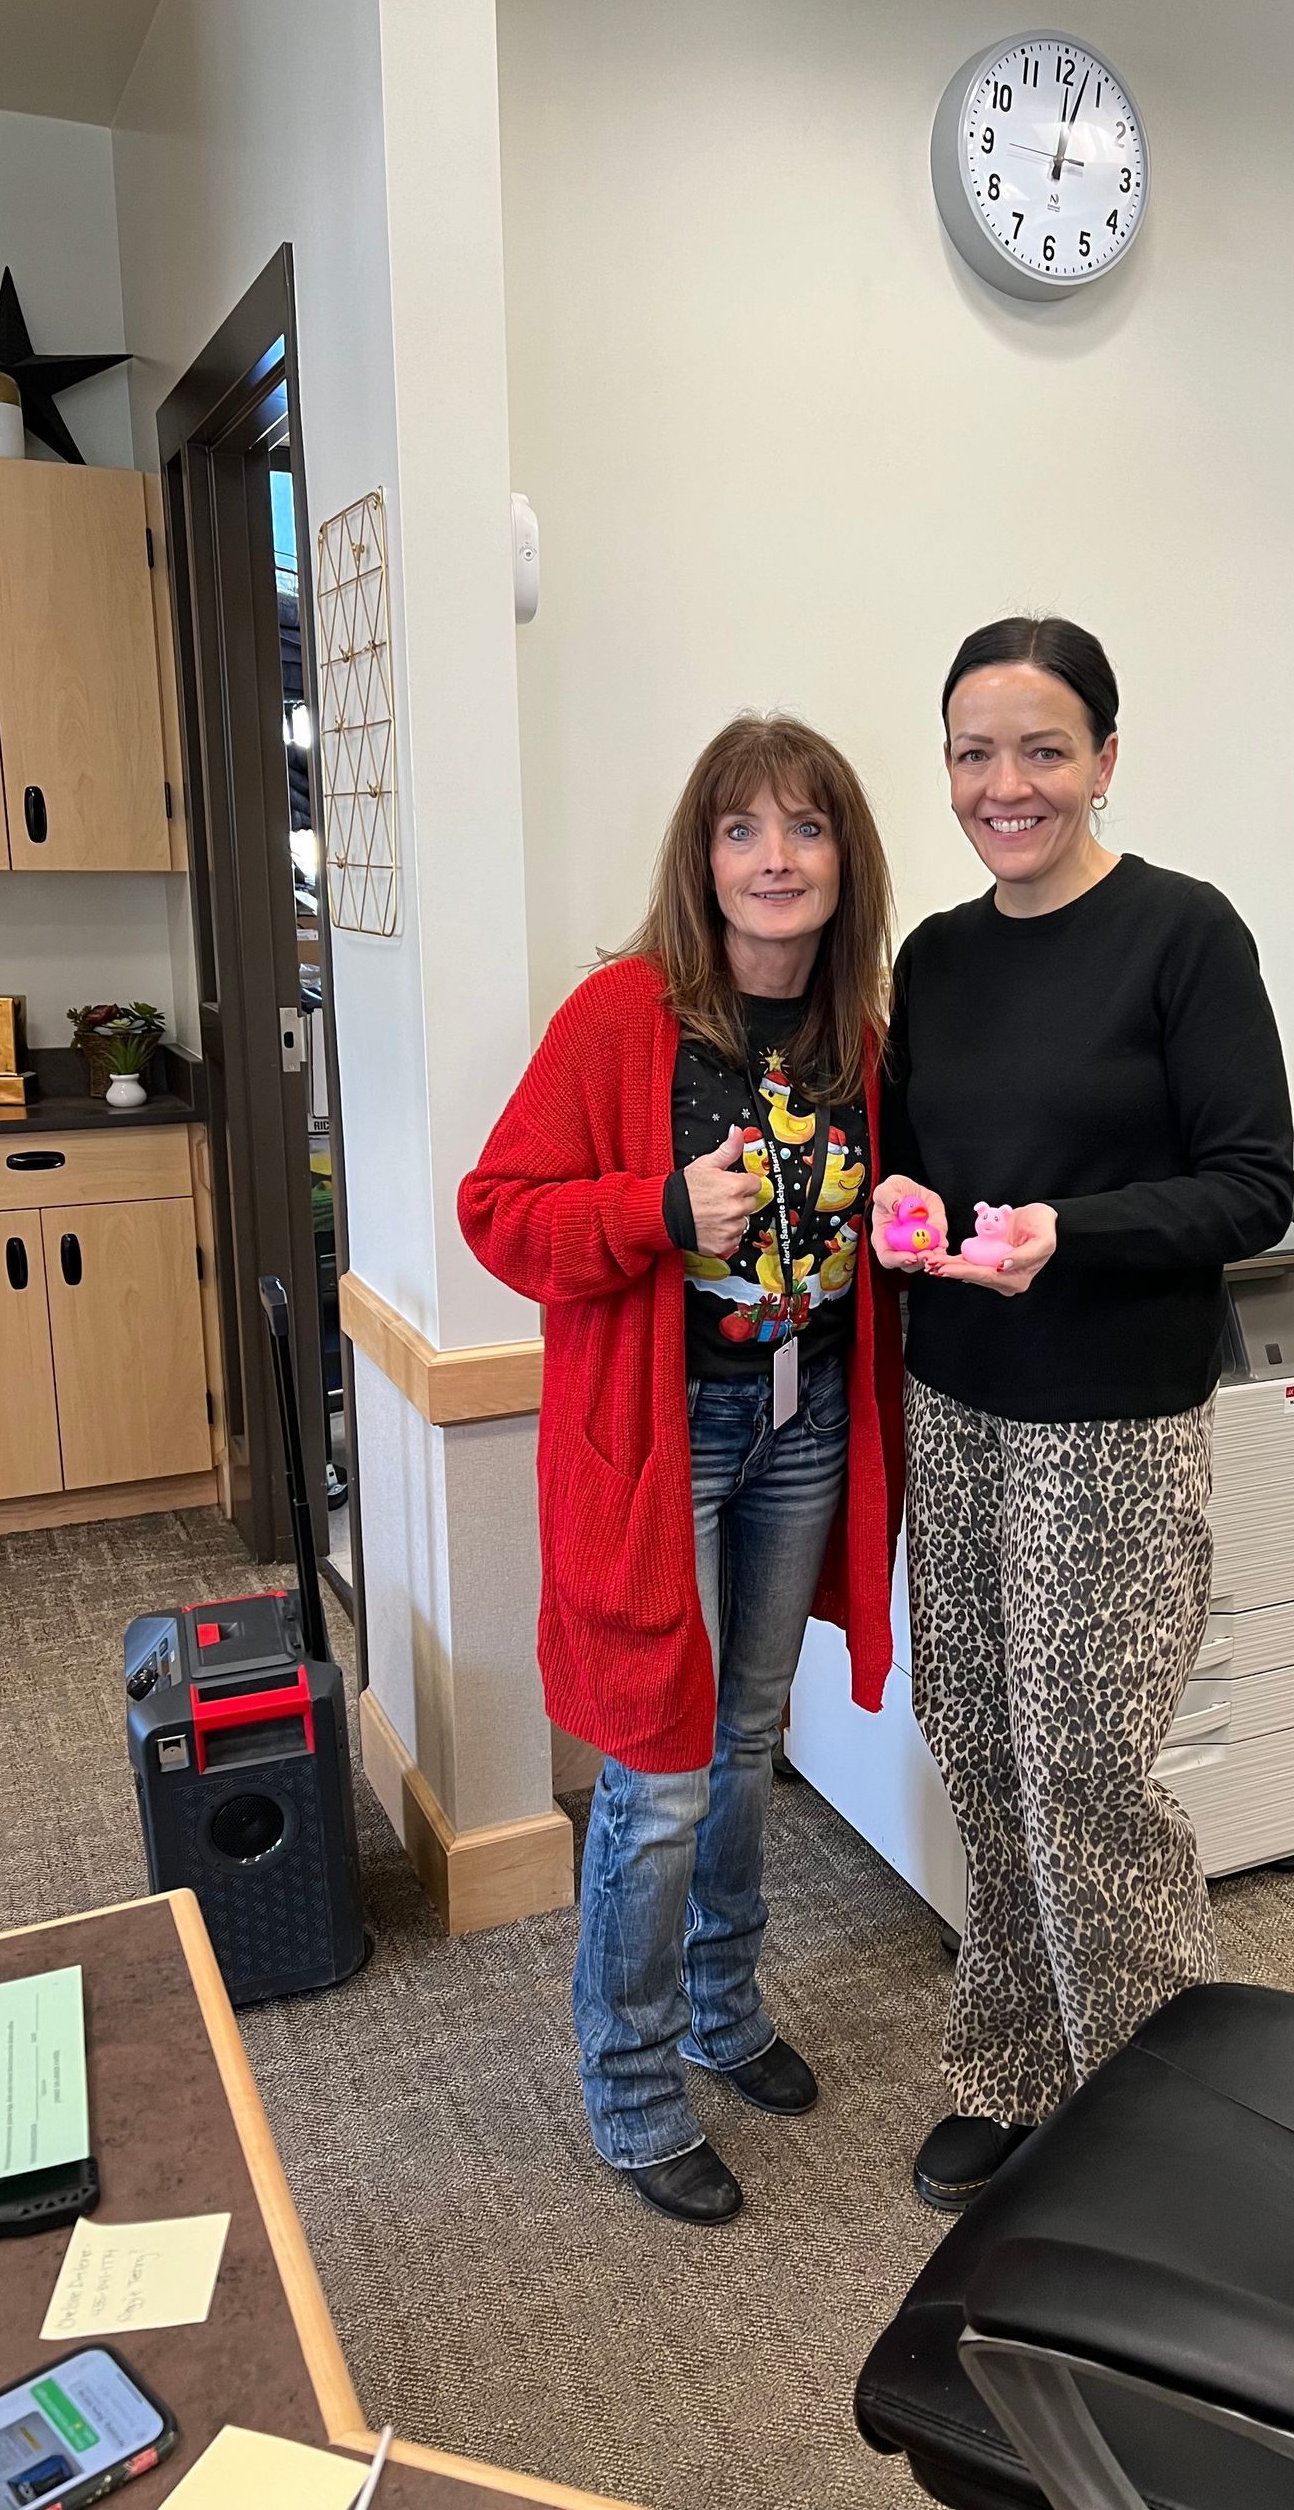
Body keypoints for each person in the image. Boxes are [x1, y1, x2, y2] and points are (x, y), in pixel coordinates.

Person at [872, 616, 1294, 2213]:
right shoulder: (938, 955)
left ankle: (1153, 2121)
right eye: (975, 752)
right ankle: (1012, 2062)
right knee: (976, 1745)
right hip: (957, 1403)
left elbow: (1253, 1185)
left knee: (1084, 1774)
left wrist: (1074, 1229)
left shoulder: (1185, 935)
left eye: (1043, 748)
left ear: (1107, 758)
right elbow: (917, 1153)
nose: (1007, 784)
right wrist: (909, 1204)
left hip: (1109, 1420)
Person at [461, 715, 902, 2227]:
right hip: (665, 1443)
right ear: (701, 859)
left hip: (803, 1424)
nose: (774, 859)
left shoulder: (861, 1036)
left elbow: (882, 1221)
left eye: (805, 829)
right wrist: (653, 1207)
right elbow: (499, 1214)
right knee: (654, 1777)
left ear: (846, 860)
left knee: (750, 1734)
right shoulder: (622, 1019)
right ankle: (633, 2080)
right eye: (741, 831)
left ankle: (723, 2008)